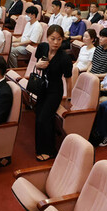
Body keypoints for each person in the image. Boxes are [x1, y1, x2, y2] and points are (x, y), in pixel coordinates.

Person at [32, 25, 74, 161]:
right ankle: (41, 148)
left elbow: (68, 80)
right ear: (47, 38)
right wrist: (38, 65)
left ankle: (50, 151)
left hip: (55, 90)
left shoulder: (65, 58)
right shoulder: (42, 47)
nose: (56, 42)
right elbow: (36, 62)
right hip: (42, 87)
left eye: (59, 39)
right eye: (53, 39)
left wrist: (68, 99)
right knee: (39, 117)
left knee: (44, 118)